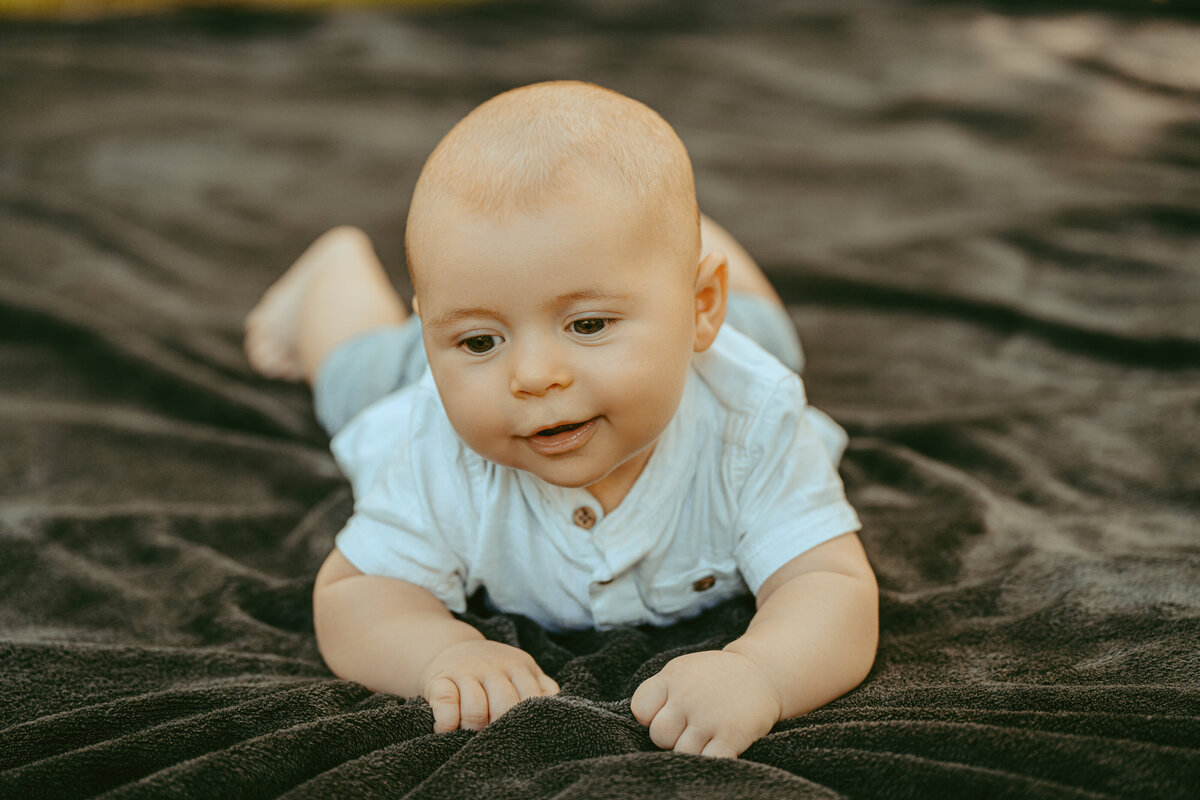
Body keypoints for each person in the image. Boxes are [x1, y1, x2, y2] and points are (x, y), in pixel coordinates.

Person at [244, 81, 878, 759]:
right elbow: (355, 594)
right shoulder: (434, 445)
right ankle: (330, 270)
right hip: (419, 368)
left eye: (588, 324)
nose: (533, 376)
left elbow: (830, 585)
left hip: (706, 346)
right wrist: (443, 652)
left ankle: (674, 248)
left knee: (771, 344)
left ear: (701, 307)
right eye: (481, 342)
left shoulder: (750, 424)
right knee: (351, 374)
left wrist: (762, 672)